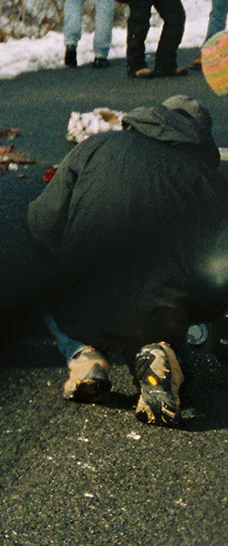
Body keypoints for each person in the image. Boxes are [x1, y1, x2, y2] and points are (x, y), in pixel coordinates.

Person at [27, 95, 228, 426]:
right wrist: (198, 316)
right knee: (167, 330)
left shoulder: (98, 146)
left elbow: (41, 223)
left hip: (84, 298)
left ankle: (84, 354)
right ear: (201, 137)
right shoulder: (212, 182)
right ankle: (164, 357)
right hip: (162, 310)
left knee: (45, 284)